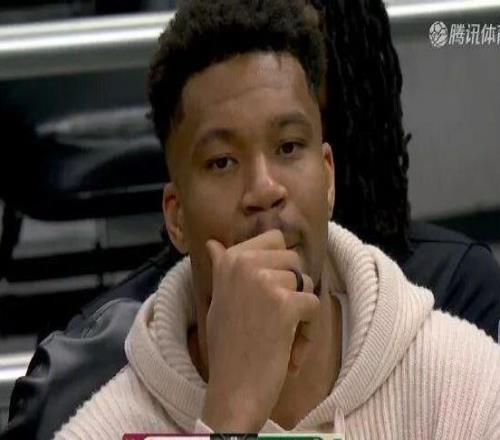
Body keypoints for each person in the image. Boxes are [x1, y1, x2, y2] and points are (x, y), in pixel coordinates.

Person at [3, 0, 500, 439]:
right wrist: (229, 416)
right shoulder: (101, 426)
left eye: (289, 147)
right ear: (176, 218)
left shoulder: (464, 382)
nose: (264, 188)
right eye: (222, 162)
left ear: (328, 177)